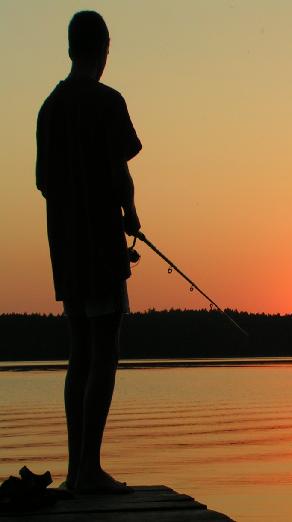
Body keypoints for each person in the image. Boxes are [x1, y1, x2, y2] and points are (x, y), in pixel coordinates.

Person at [36, 11, 142, 494]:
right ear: (102, 48)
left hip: (65, 249)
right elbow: (121, 170)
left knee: (79, 355)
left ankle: (75, 470)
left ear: (69, 47)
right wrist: (130, 215)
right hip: (100, 249)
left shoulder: (49, 107)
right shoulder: (107, 102)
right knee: (106, 353)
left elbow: (43, 182)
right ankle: (88, 472)